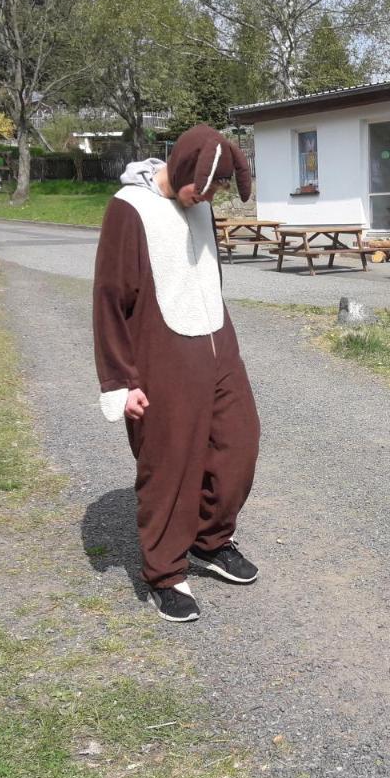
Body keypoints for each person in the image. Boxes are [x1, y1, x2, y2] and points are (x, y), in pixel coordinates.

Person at [92, 125, 260, 623]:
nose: (204, 199)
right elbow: (108, 300)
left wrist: (223, 340)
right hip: (161, 353)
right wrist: (120, 381)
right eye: (201, 188)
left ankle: (211, 540)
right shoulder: (130, 209)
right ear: (184, 166)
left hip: (217, 342)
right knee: (169, 464)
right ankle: (166, 572)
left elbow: (206, 273)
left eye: (214, 192)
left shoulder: (200, 204)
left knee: (239, 445)